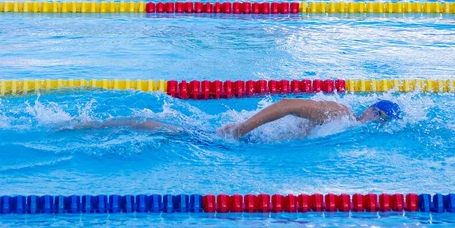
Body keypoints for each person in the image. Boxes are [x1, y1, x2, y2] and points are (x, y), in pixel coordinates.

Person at [72, 98, 402, 140]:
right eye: (381, 119)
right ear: (372, 111)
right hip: (243, 137)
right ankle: (92, 124)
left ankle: (97, 124)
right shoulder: (340, 114)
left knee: (180, 133)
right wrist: (243, 128)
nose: (378, 124)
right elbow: (286, 104)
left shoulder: (346, 124)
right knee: (175, 132)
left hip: (252, 142)